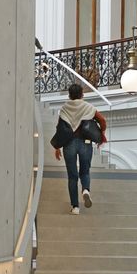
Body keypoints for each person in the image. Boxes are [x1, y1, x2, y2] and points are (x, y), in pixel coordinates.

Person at [52, 83, 99, 214]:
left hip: (69, 144)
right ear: (82, 94)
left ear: (69, 95)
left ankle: (75, 207)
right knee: (85, 171)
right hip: (85, 142)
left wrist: (57, 147)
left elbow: (60, 128)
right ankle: (85, 190)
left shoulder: (64, 109)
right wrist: (102, 137)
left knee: (72, 176)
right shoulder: (88, 107)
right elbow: (102, 120)